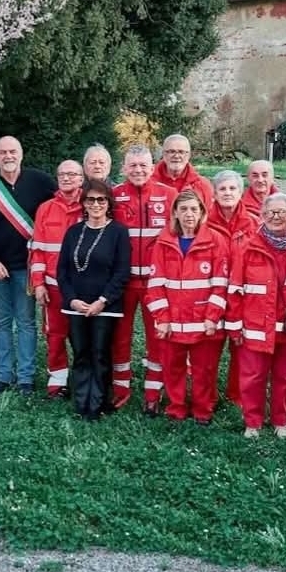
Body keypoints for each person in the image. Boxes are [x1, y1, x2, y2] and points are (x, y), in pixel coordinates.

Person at [0, 136, 57, 397]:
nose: (8, 156)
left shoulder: (40, 181)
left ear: (21, 154)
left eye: (12, 151)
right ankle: (3, 375)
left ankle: (26, 378)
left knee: (27, 322)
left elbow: (60, 207)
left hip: (28, 267)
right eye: (2, 152)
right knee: (2, 322)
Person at [145, 190, 230, 424]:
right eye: (183, 209)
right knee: (173, 368)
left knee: (204, 370)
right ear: (175, 213)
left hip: (204, 322)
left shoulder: (216, 241)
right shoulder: (163, 242)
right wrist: (162, 319)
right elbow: (155, 285)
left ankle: (203, 410)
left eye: (194, 209)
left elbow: (220, 285)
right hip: (172, 322)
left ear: (202, 212)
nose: (189, 214)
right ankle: (177, 408)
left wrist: (212, 317)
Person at [225, 193, 286, 439]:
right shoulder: (247, 247)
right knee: (252, 378)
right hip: (255, 326)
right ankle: (253, 423)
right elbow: (235, 290)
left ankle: (281, 420)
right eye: (270, 212)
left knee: (283, 378)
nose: (276, 217)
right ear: (261, 216)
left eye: (282, 212)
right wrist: (235, 328)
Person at [57, 180, 131, 420]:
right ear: (84, 203)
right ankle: (81, 402)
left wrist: (102, 301)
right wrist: (72, 300)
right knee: (80, 352)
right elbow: (62, 272)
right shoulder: (73, 232)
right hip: (76, 305)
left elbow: (122, 272)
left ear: (108, 203)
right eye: (90, 199)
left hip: (105, 307)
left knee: (100, 353)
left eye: (101, 199)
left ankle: (97, 404)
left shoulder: (118, 232)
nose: (96, 204)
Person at [112, 145, 176, 413]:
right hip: (123, 283)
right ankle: (120, 389)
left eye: (143, 165)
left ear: (153, 167)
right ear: (124, 168)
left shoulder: (169, 195)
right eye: (133, 165)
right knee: (119, 336)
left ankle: (153, 392)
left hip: (155, 284)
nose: (138, 170)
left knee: (157, 337)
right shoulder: (113, 196)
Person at [29, 160, 84, 398]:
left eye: (72, 174)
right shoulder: (46, 208)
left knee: (84, 336)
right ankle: (57, 381)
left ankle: (84, 379)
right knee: (55, 335)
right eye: (62, 174)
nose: (67, 178)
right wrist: (38, 283)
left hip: (84, 286)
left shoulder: (91, 205)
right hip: (53, 286)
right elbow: (38, 249)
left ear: (81, 178)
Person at [206, 169, 260, 407]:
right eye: (222, 189)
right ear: (214, 194)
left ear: (241, 193)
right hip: (211, 293)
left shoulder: (255, 223)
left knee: (241, 347)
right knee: (209, 348)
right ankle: (207, 395)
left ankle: (237, 395)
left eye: (232, 189)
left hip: (243, 295)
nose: (227, 193)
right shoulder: (203, 222)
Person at [150, 133, 213, 208]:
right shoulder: (149, 182)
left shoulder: (203, 186)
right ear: (164, 154)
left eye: (181, 152)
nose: (176, 156)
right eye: (171, 151)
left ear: (189, 155)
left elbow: (208, 216)